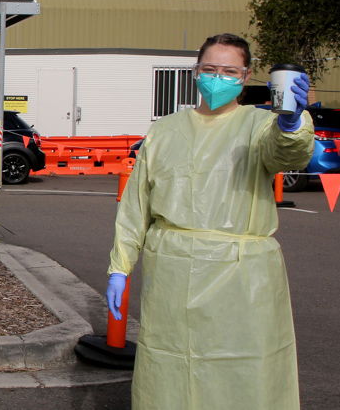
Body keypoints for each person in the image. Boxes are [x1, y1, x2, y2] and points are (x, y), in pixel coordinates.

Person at [105, 33, 313, 409]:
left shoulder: (259, 126)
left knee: (242, 370)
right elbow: (137, 206)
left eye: (229, 71)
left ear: (246, 76)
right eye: (210, 69)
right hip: (173, 271)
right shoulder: (165, 130)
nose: (218, 78)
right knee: (169, 367)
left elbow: (288, 154)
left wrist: (291, 122)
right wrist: (120, 267)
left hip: (241, 277)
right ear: (196, 71)